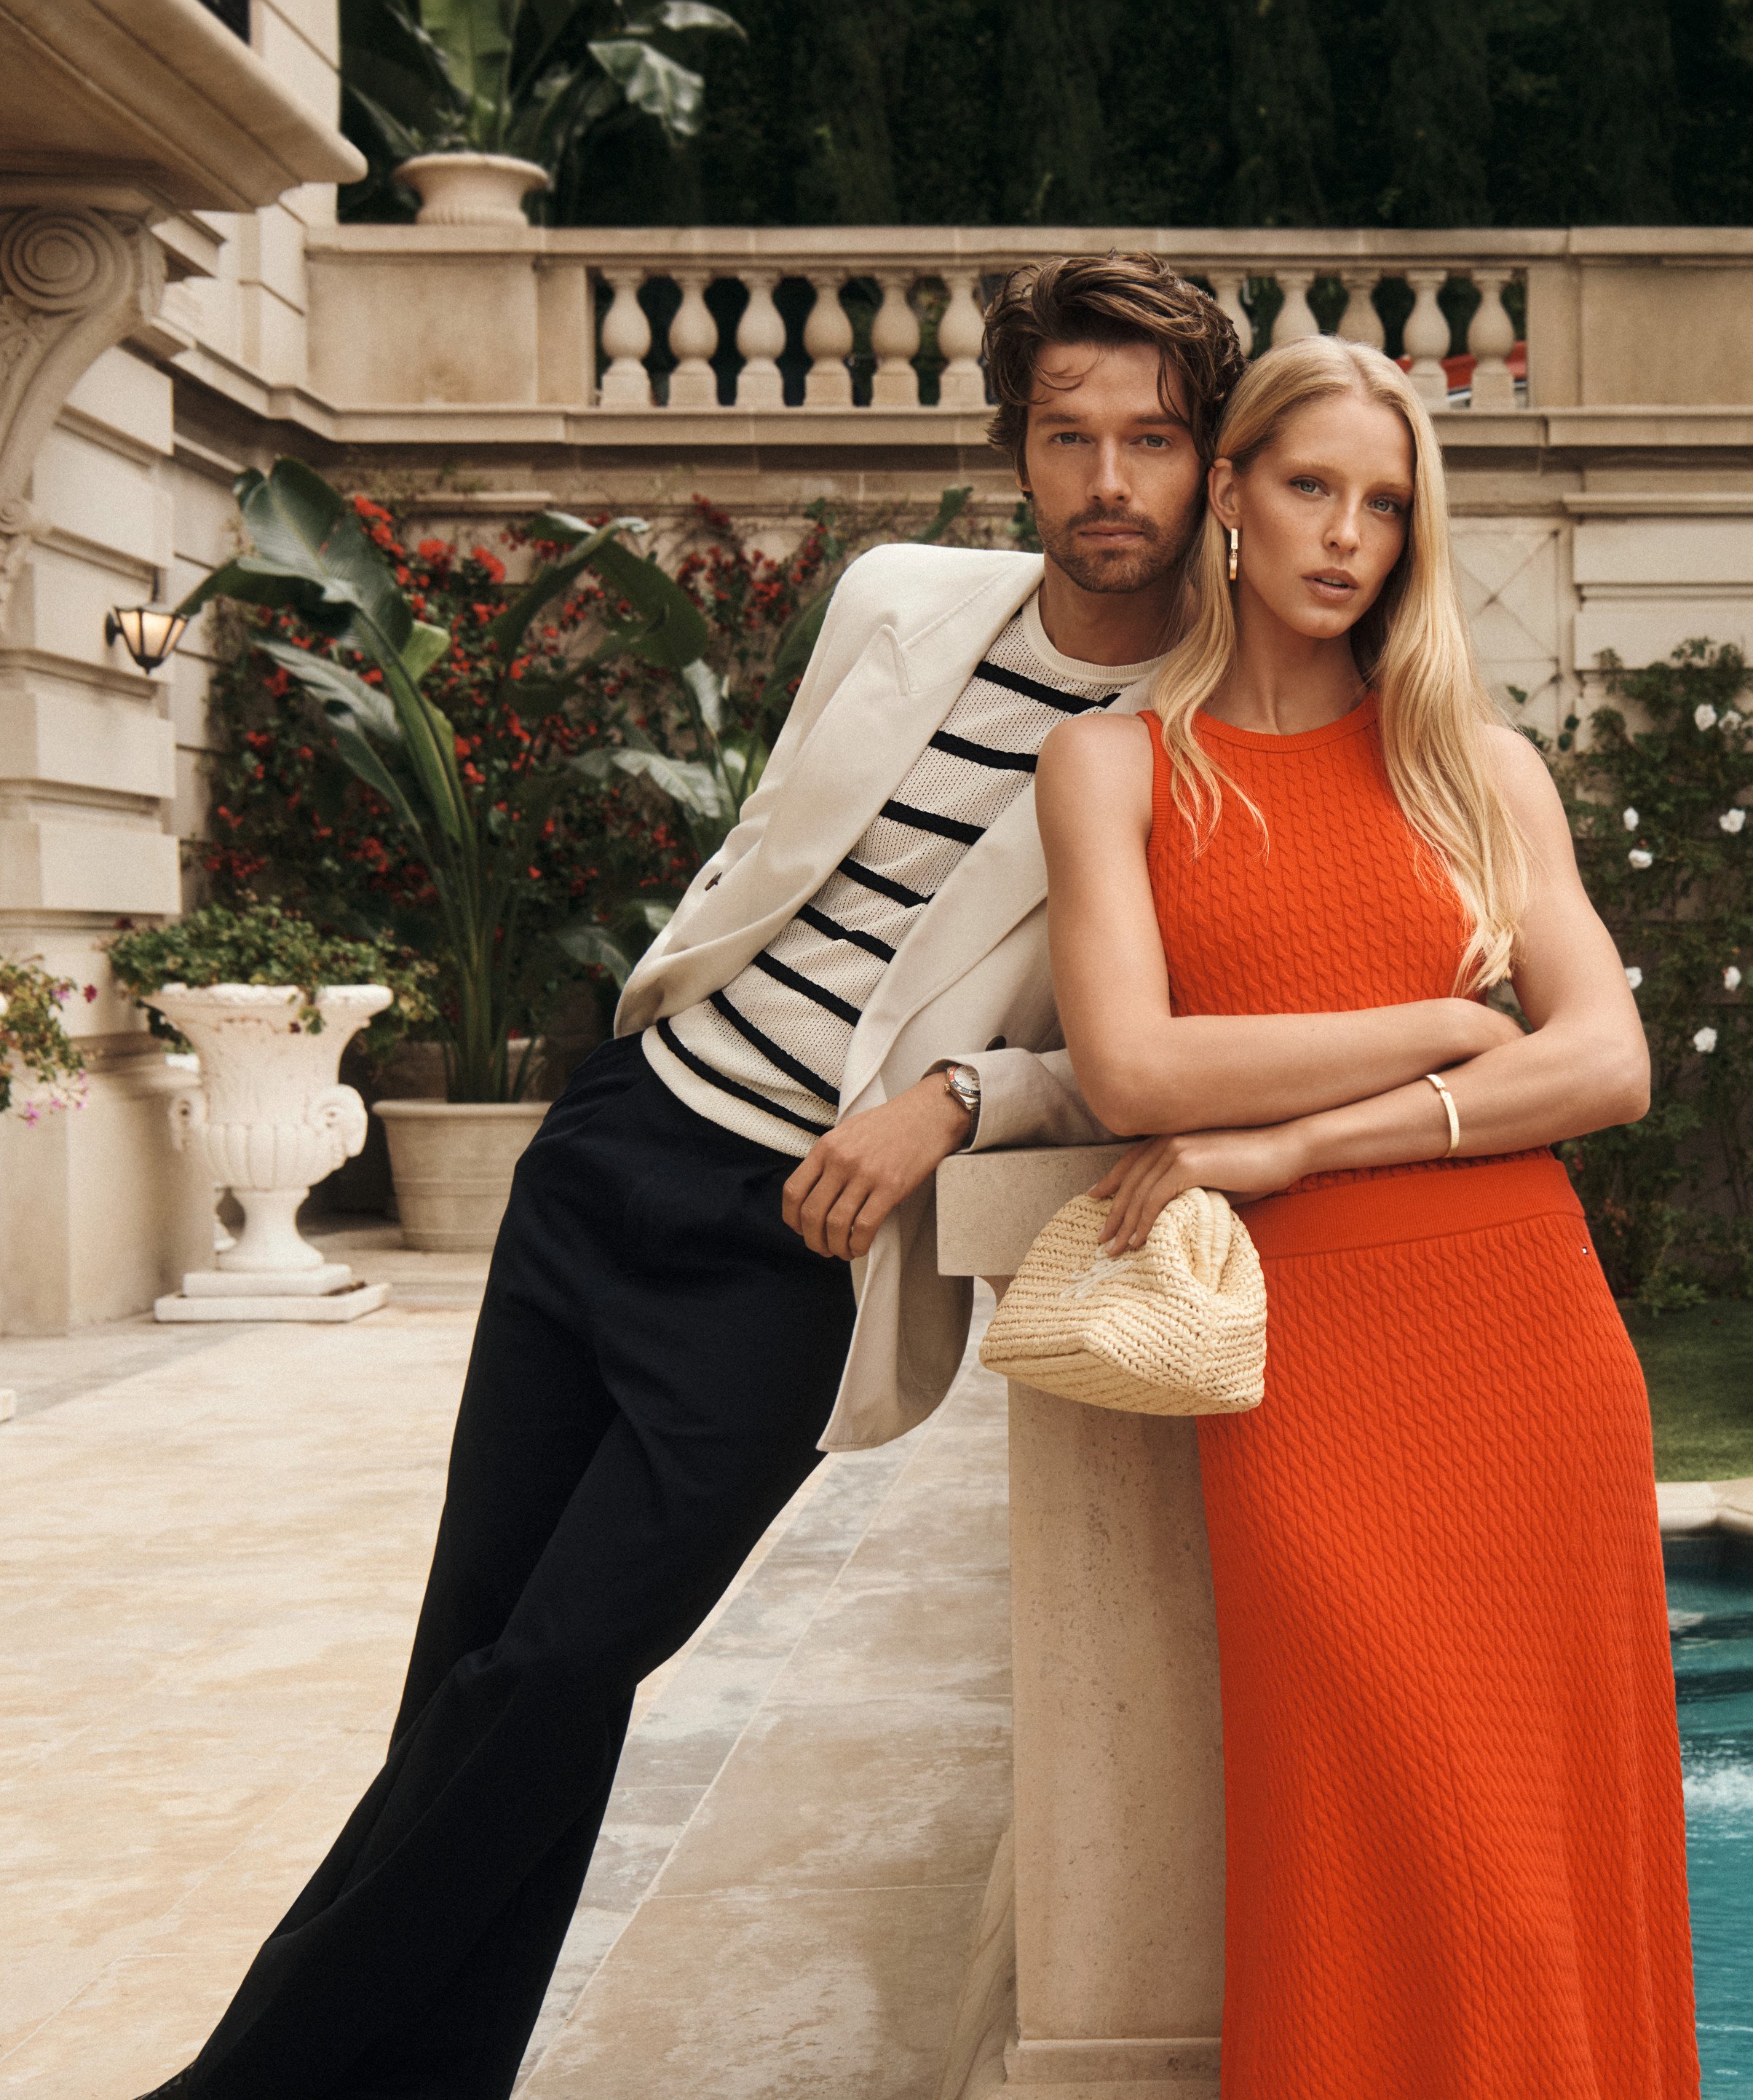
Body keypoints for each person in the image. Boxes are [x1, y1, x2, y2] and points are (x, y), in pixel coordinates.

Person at [141, 252, 1244, 2100]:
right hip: (624, 1146)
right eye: (1071, 434)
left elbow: (1172, 1030)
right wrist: (635, 1052)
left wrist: (961, 1095)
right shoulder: (900, 599)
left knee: (561, 1674)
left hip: (794, 1247)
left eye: (1152, 437)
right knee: (470, 1672)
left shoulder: (1207, 733)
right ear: (1017, 445)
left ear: (1210, 460)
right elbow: (774, 842)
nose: (1109, 481)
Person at [1035, 333, 1701, 2098]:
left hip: (1527, 1343)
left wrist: (1307, 1145)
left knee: (1537, 1880)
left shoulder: (1478, 770)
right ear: (1231, 501)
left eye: (1384, 506)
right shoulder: (1108, 769)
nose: (1345, 535)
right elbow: (1133, 1072)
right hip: (1310, 1381)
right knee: (1379, 1825)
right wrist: (1440, 1026)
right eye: (1309, 487)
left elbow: (1610, 1066)